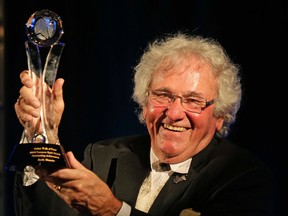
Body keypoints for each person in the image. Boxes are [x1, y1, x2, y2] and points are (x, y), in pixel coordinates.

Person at [13, 32, 275, 216]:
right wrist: (42, 133)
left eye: (193, 101)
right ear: (144, 100)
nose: (173, 113)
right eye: (163, 95)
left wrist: (113, 211)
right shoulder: (103, 157)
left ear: (219, 116)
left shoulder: (242, 178)